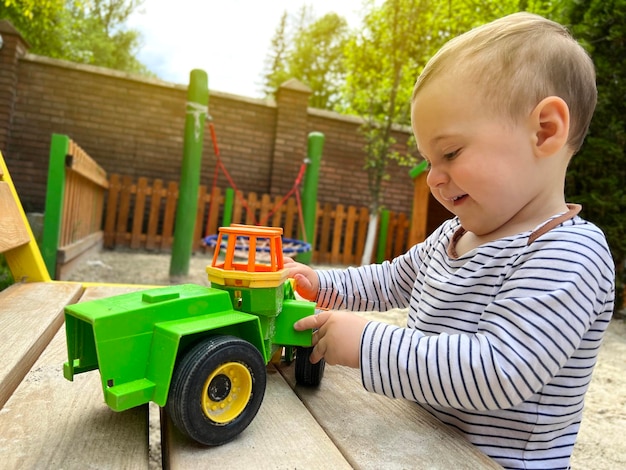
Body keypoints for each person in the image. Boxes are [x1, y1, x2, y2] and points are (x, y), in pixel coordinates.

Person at [285, 12, 615, 470]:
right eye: (427, 160)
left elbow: (503, 370)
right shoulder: (453, 235)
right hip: (423, 440)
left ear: (545, 131)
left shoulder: (569, 252)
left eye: (451, 153)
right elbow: (387, 281)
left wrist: (368, 344)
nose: (433, 178)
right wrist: (321, 285)